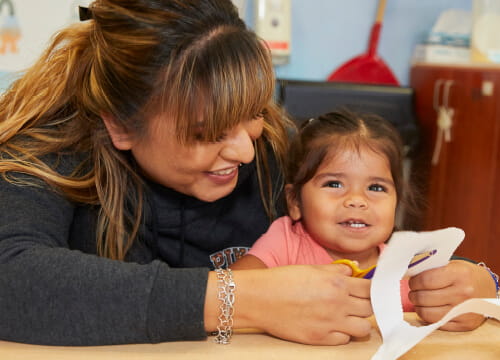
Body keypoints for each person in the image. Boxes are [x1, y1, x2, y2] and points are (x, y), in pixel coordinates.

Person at [0, 0, 496, 347]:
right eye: (206, 132)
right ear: (121, 125)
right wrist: (242, 300)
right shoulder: (47, 146)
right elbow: (11, 276)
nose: (242, 148)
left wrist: (477, 282)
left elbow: (365, 236)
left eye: (253, 110)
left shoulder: (271, 146)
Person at [232, 110, 499, 330]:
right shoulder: (285, 240)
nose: (357, 200)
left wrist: (464, 309)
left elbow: (461, 305)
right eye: (334, 183)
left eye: (376, 188)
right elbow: (232, 289)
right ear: (294, 201)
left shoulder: (410, 267)